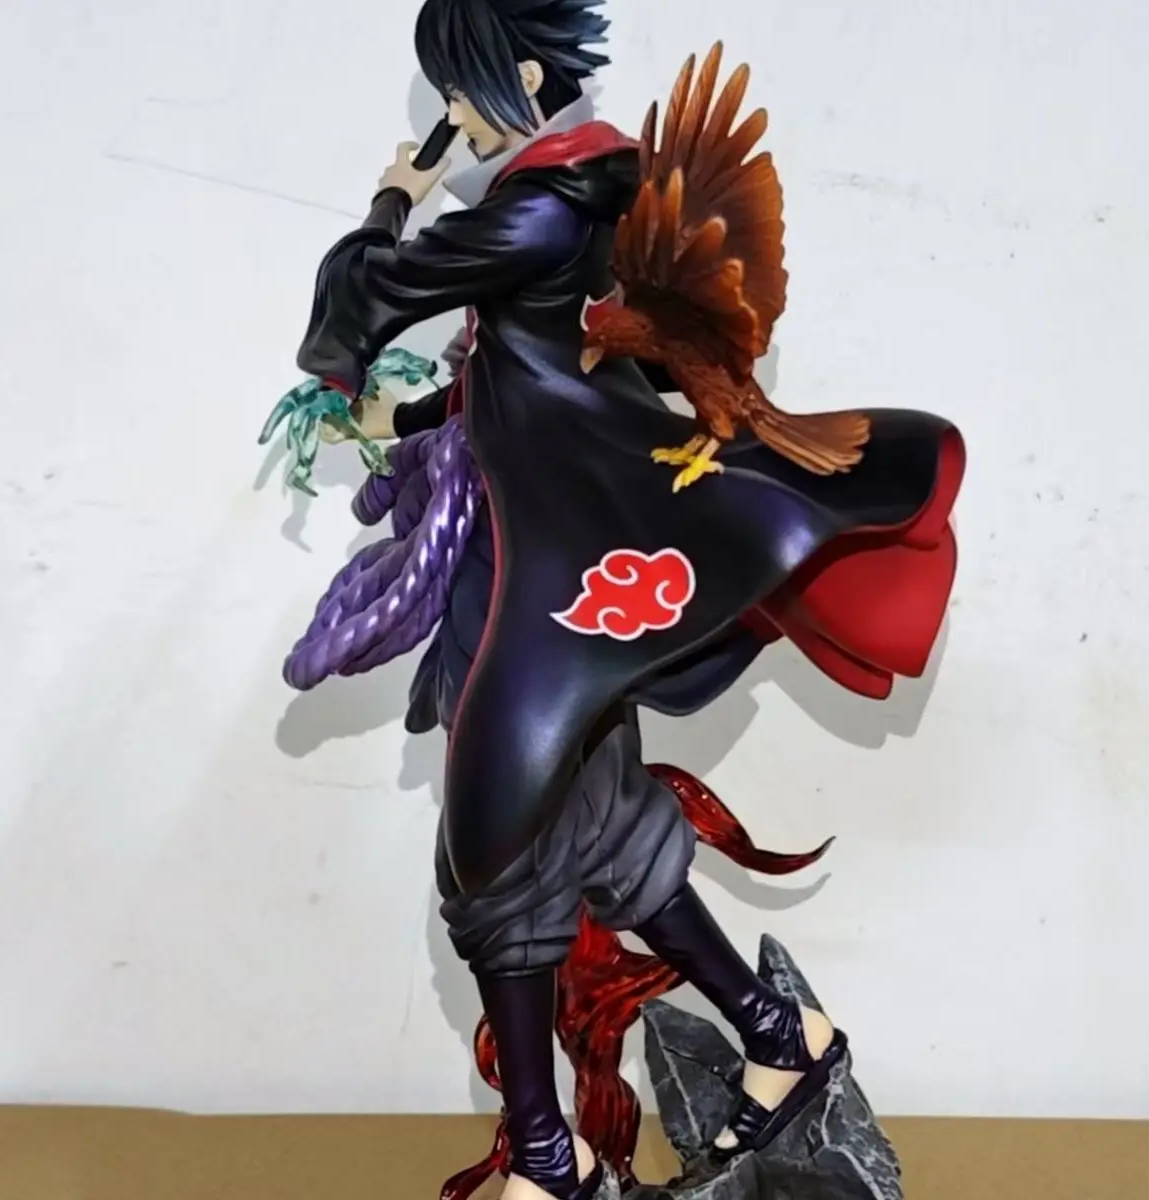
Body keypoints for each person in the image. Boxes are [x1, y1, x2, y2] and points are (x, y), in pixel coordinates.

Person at [289, 1, 964, 1197]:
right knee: (587, 829)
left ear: (523, 74)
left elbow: (368, 294)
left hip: (559, 575)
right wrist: (415, 415)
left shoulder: (543, 207)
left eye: (462, 90)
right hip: (540, 556)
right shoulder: (588, 192)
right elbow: (536, 373)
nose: (451, 116)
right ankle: (774, 1041)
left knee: (490, 844)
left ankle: (553, 1162)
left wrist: (396, 194)